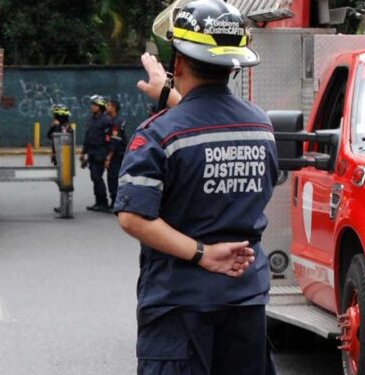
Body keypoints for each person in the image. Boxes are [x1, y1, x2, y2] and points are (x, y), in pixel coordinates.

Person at [114, 1, 278, 374]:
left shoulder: (156, 135)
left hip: (179, 306)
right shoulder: (260, 126)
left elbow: (133, 217)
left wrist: (203, 253)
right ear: (232, 64)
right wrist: (168, 96)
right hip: (245, 302)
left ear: (180, 63)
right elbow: (207, 123)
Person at [80, 95, 112, 212]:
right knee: (94, 178)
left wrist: (107, 155)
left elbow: (108, 139)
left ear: (100, 107)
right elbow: (87, 137)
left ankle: (103, 202)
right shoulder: (92, 120)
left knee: (97, 177)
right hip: (92, 153)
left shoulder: (106, 121)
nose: (92, 107)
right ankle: (98, 202)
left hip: (100, 152)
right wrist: (83, 153)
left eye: (94, 105)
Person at [105, 100, 128, 208]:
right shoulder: (111, 121)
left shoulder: (117, 122)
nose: (106, 107)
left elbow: (115, 141)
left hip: (117, 154)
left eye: (108, 105)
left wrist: (109, 157)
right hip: (116, 153)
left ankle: (116, 202)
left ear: (114, 108)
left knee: (113, 178)